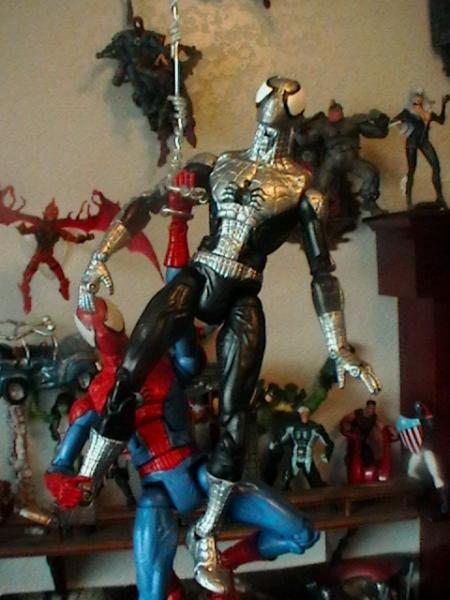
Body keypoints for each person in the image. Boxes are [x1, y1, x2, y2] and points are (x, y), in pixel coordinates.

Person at [77, 77, 381, 593]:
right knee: (129, 371)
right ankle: (88, 476)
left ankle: (208, 534)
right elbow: (148, 201)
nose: (276, 103)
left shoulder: (302, 191)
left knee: (238, 417)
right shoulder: (219, 164)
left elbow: (322, 272)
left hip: (243, 294)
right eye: (272, 95)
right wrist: (98, 257)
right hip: (199, 278)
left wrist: (338, 346)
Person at [45, 296, 319, 600]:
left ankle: (225, 564)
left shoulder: (165, 365)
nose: (103, 331)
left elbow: (188, 344)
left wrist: (181, 292)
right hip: (156, 494)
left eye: (104, 322)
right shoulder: (92, 400)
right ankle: (173, 586)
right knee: (152, 595)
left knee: (301, 533)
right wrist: (64, 486)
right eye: (95, 327)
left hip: (204, 474)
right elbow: (58, 468)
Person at [391, 89, 450, 209]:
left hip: (423, 141)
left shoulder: (427, 112)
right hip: (412, 142)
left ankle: (440, 197)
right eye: (417, 96)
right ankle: (408, 201)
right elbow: (393, 122)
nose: (419, 98)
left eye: (421, 96)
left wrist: (443, 105)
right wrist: (404, 128)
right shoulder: (407, 112)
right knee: (411, 170)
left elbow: (441, 120)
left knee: (436, 166)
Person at [272, 405, 334, 490]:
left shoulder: (315, 428)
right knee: (286, 479)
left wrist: (327, 454)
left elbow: (329, 443)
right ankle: (285, 491)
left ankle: (318, 492)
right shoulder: (292, 427)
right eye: (302, 413)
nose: (304, 415)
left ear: (308, 414)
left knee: (315, 481)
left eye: (306, 413)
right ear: (299, 414)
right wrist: (275, 443)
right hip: (295, 456)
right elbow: (281, 438)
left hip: (307, 457)